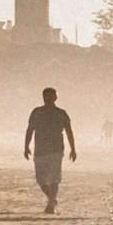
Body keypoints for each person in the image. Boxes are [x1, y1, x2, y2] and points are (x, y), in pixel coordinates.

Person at [24, 85, 77, 215]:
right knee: (40, 180)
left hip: (56, 150)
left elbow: (69, 132)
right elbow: (30, 129)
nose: (48, 99)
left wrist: (73, 149)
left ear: (55, 98)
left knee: (54, 178)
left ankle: (51, 205)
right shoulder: (37, 112)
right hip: (40, 150)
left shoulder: (61, 113)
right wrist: (26, 146)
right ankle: (52, 199)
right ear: (43, 97)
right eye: (45, 96)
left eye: (50, 96)